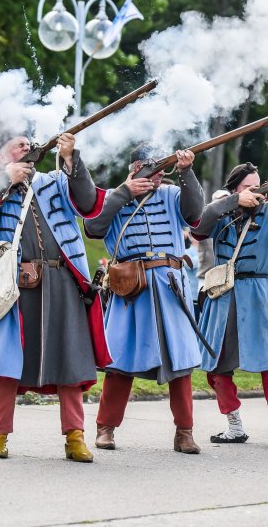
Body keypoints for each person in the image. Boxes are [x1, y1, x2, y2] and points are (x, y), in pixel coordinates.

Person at [0, 133, 110, 461]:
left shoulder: (56, 181)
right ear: (2, 155)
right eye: (18, 144)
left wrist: (72, 158)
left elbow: (88, 203)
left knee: (71, 361)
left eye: (29, 142)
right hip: (15, 285)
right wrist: (5, 182)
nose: (27, 147)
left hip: (63, 280)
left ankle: (75, 437)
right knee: (5, 365)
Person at [85, 143, 206, 454]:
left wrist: (186, 173)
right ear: (134, 169)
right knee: (119, 363)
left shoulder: (169, 193)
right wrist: (124, 193)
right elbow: (93, 227)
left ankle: (184, 432)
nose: (157, 175)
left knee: (179, 364)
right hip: (130, 286)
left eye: (161, 169)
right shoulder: (115, 195)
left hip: (169, 284)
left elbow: (194, 215)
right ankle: (106, 428)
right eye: (151, 169)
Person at [197, 163, 268, 450]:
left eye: (258, 186)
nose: (255, 192)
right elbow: (198, 228)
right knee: (217, 365)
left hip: (260, 292)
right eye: (248, 187)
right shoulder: (221, 209)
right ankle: (234, 426)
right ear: (235, 189)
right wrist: (231, 202)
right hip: (224, 295)